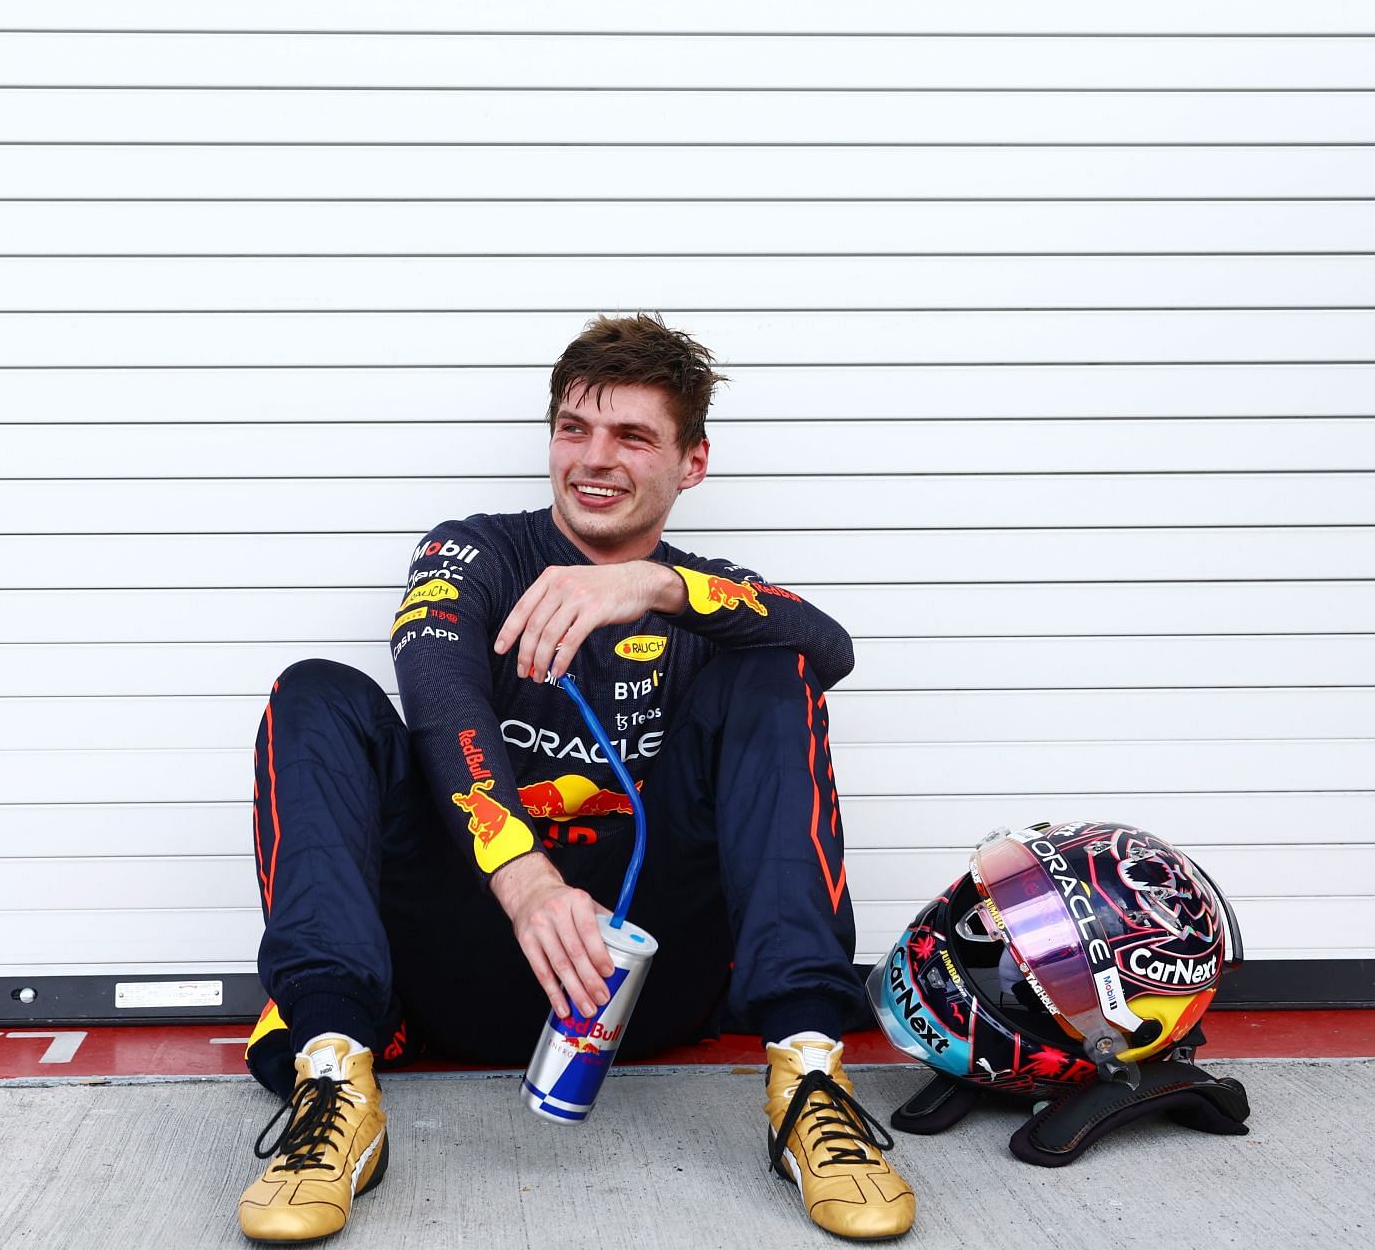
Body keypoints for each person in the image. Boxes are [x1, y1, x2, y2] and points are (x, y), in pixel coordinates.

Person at [235, 314, 916, 1242]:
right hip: (468, 957)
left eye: (633, 435)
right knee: (317, 695)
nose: (593, 460)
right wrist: (524, 878)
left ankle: (807, 1078)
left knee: (776, 671)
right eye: (573, 429)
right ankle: (333, 1082)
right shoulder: (470, 549)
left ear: (692, 464)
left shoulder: (706, 592)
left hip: (649, 978)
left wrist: (657, 586)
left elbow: (830, 645)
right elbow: (434, 693)